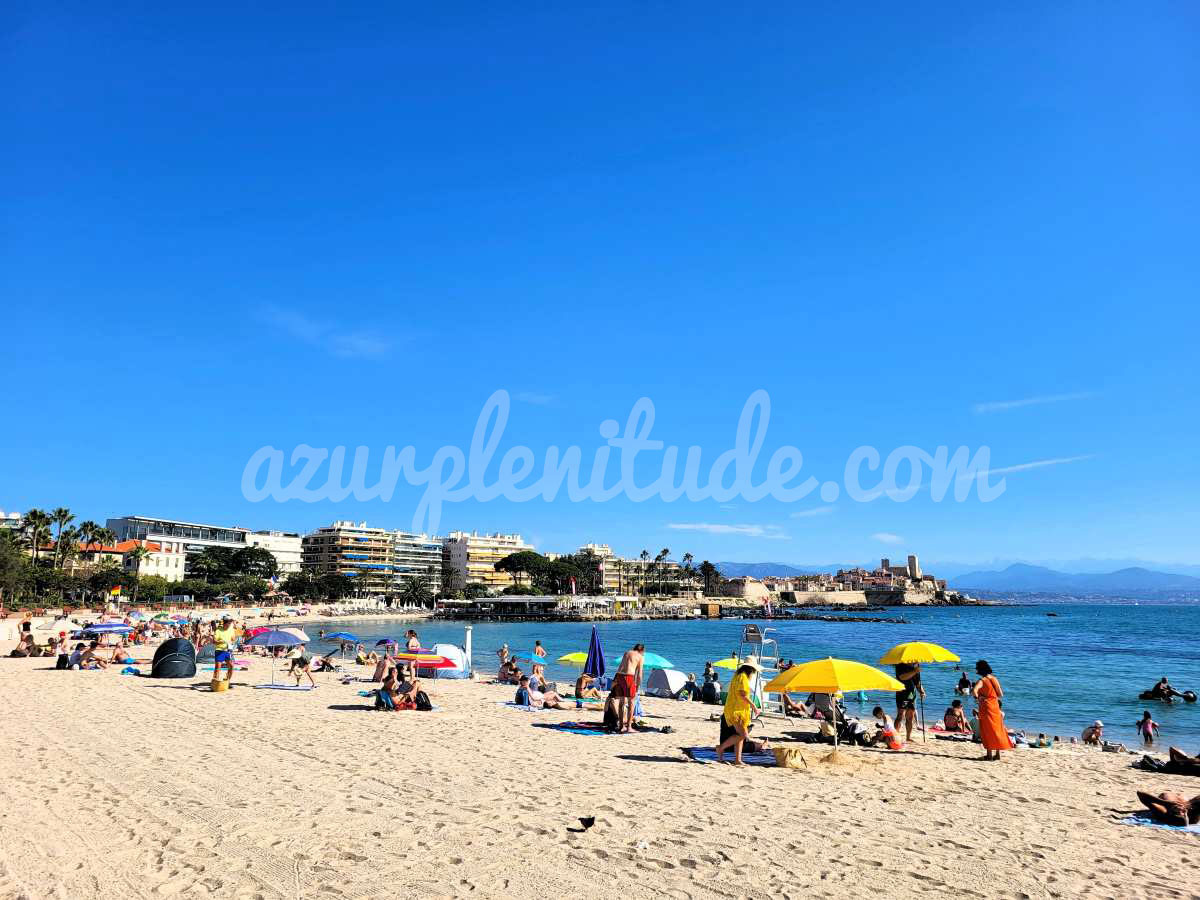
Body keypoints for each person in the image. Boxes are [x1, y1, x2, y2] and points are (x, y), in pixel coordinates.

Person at [714, 663, 758, 765]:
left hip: (736, 709)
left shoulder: (737, 675)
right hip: (736, 711)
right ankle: (720, 748)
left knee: (739, 735)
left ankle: (737, 760)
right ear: (750, 670)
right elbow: (742, 695)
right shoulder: (742, 677)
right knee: (743, 735)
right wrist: (754, 706)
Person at [971, 659, 1012, 761]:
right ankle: (997, 754)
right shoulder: (994, 679)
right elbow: (1000, 694)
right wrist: (991, 697)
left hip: (986, 707)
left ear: (980, 670)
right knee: (997, 729)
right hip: (995, 706)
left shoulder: (981, 681)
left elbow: (974, 691)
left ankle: (989, 755)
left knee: (987, 730)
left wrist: (979, 698)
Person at [611, 644, 645, 733]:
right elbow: (639, 673)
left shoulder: (627, 653)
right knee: (631, 702)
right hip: (629, 677)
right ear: (642, 651)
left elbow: (620, 666)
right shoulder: (640, 657)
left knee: (621, 702)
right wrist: (638, 685)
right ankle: (629, 727)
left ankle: (621, 726)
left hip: (619, 676)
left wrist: (615, 679)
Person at [893, 661, 925, 742]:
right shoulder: (900, 664)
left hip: (912, 694)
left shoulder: (915, 667)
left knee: (910, 717)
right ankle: (895, 735)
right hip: (902, 693)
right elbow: (902, 677)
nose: (917, 660)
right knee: (900, 716)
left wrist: (922, 691)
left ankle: (908, 737)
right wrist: (915, 671)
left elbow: (918, 683)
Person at [1135, 790, 1200, 826]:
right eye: (1183, 811)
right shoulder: (1194, 817)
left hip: (1169, 796)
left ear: (1171, 812)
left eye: (1177, 810)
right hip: (1185, 799)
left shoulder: (1164, 812)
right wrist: (1188, 805)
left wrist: (1165, 803)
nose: (1180, 808)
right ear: (1185, 814)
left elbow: (1140, 793)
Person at [211, 615, 237, 685]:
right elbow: (214, 641)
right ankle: (215, 682)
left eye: (230, 623)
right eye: (229, 623)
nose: (230, 625)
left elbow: (233, 639)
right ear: (225, 623)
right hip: (219, 650)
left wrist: (233, 639)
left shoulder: (231, 630)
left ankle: (227, 680)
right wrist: (221, 641)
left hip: (228, 650)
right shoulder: (218, 630)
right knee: (218, 667)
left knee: (231, 666)